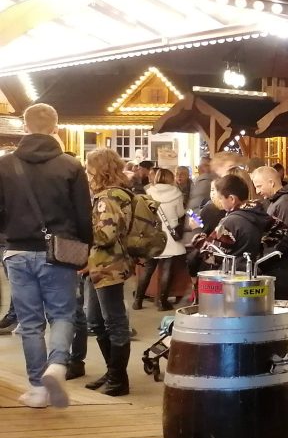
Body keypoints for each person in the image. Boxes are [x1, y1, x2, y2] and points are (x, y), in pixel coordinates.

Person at [0, 103, 92, 408]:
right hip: (60, 252)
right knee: (63, 314)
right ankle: (58, 364)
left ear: (25, 127)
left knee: (29, 323)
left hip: (17, 251)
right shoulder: (70, 165)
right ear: (56, 128)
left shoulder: (4, 165)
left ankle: (38, 388)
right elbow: (83, 215)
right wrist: (85, 251)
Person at [83, 148, 137, 396]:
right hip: (100, 266)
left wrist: (81, 230)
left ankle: (118, 380)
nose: (87, 171)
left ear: (100, 169)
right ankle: (112, 371)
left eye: (89, 167)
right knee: (95, 320)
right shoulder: (115, 195)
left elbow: (105, 235)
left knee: (114, 322)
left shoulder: (108, 198)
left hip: (108, 266)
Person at [136, 168, 187, 311]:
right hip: (170, 236)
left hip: (153, 235)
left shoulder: (148, 192)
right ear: (171, 179)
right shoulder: (176, 194)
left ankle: (138, 300)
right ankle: (162, 302)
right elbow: (180, 213)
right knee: (166, 269)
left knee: (148, 269)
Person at [251, 165, 288, 300]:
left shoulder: (285, 202)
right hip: (277, 264)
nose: (257, 191)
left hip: (283, 267)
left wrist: (265, 259)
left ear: (271, 182)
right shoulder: (275, 202)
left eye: (259, 186)